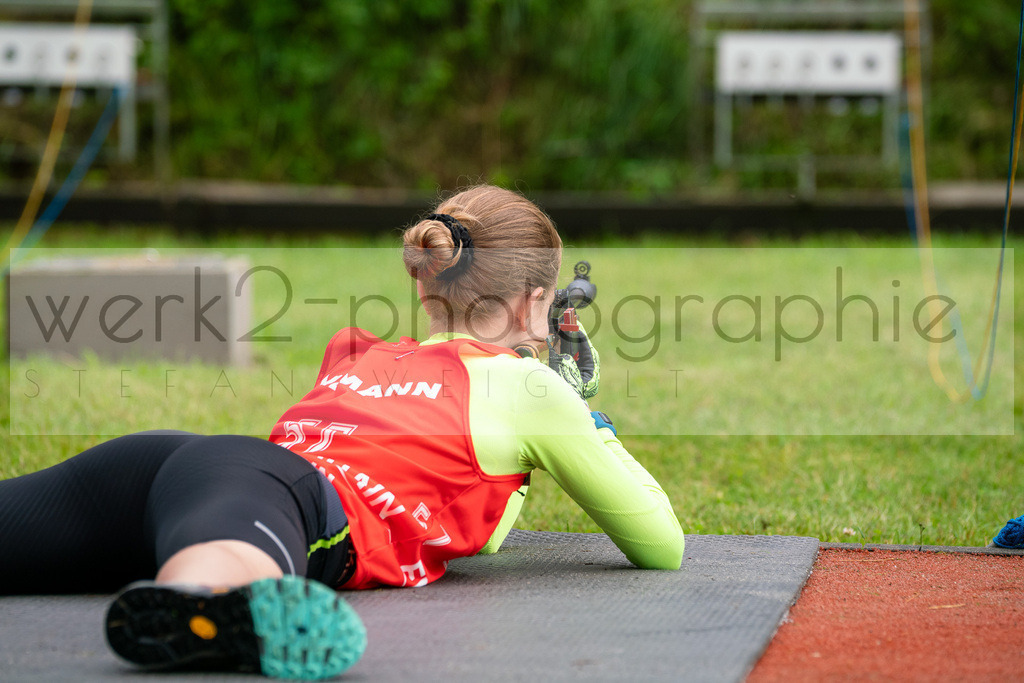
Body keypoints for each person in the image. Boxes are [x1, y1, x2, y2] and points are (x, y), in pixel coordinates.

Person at [0, 185, 684, 680]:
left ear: (428, 285)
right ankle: (198, 603)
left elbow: (473, 517)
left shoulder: (360, 352)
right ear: (537, 303)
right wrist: (585, 419)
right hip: (281, 499)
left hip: (174, 467)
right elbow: (660, 542)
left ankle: (203, 586)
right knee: (216, 579)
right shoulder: (531, 390)